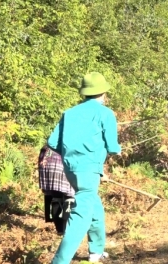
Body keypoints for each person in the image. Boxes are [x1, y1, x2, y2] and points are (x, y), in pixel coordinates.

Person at [48, 72, 122, 263]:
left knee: (94, 206)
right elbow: (113, 147)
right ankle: (59, 261)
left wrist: (71, 154)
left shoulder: (69, 112)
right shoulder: (106, 113)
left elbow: (52, 142)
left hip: (70, 169)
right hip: (88, 171)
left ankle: (96, 251)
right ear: (103, 93)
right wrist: (115, 150)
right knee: (81, 214)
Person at [38, 145, 75, 236]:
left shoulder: (49, 144)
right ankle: (66, 229)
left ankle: (59, 230)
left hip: (46, 163)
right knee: (69, 197)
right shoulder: (70, 141)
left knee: (56, 197)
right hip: (62, 164)